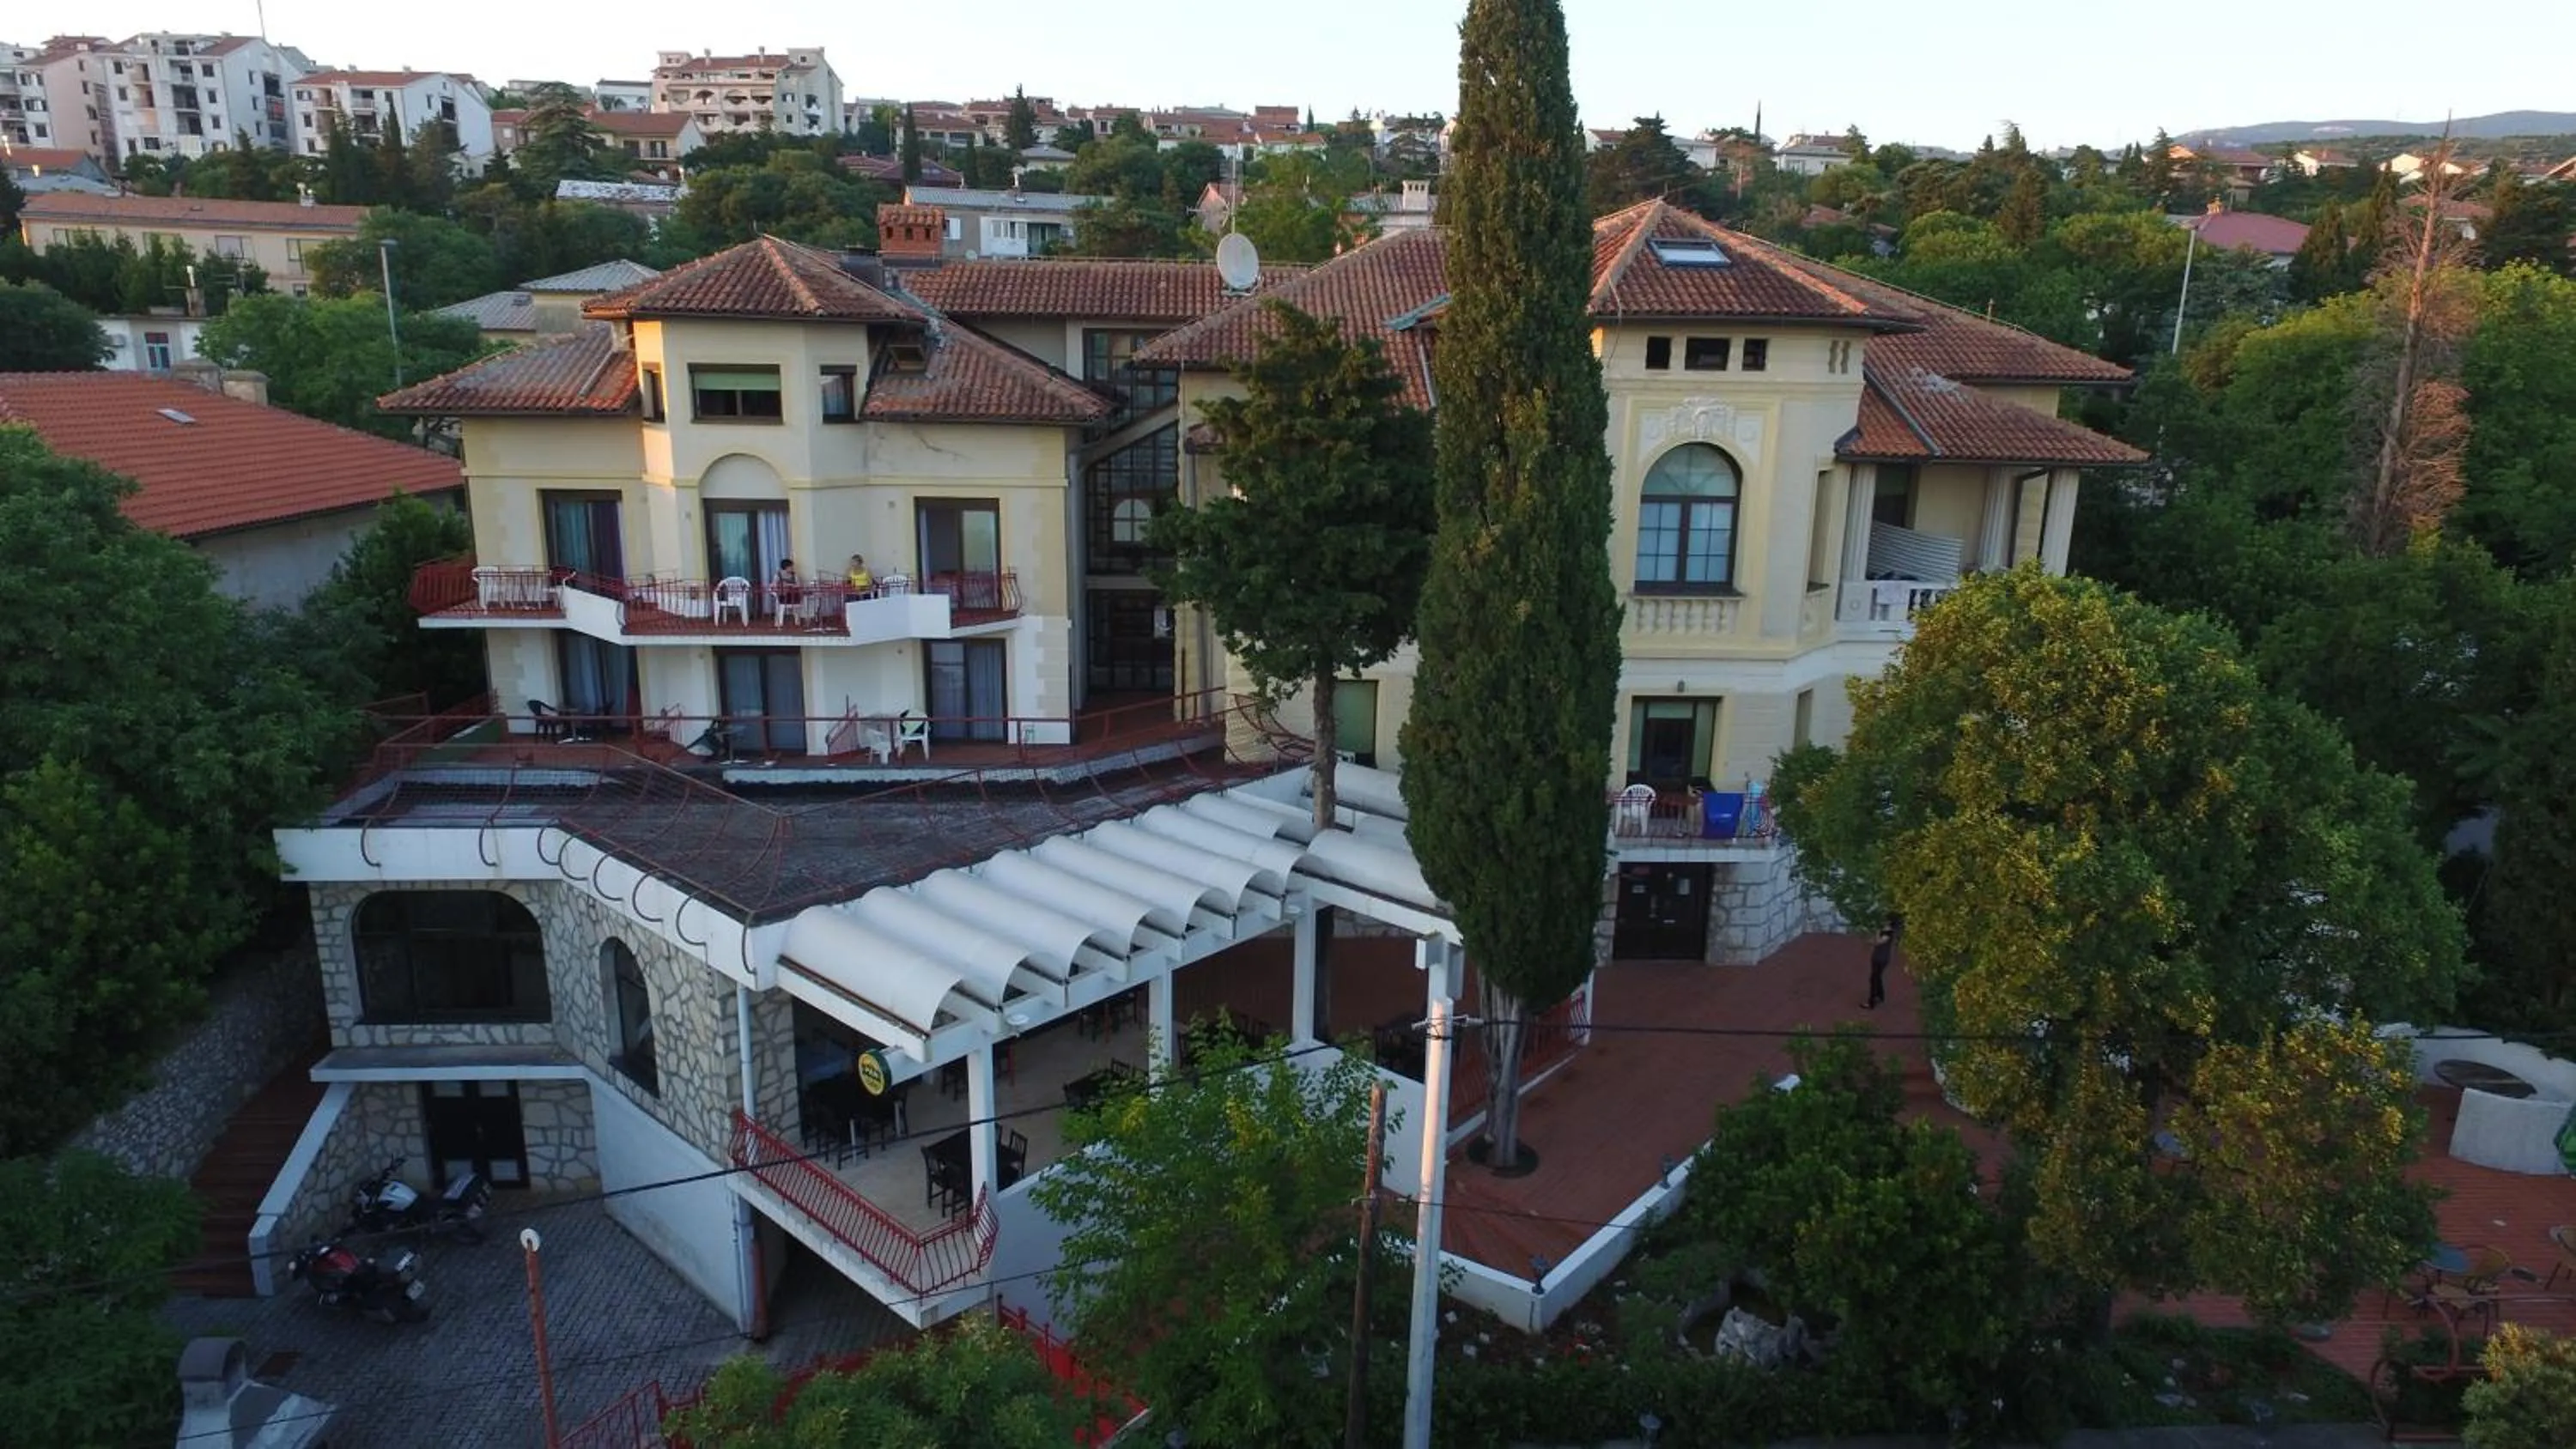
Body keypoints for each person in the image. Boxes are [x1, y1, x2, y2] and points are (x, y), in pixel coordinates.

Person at [1866, 912, 1902, 1009]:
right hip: (1878, 956)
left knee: (1874, 979)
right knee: (1877, 977)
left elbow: (1879, 942)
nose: (1883, 920)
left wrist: (1877, 934)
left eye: (1885, 919)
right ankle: (1880, 996)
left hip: (1881, 958)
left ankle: (1871, 1002)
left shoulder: (1888, 933)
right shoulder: (1886, 931)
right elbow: (1875, 941)